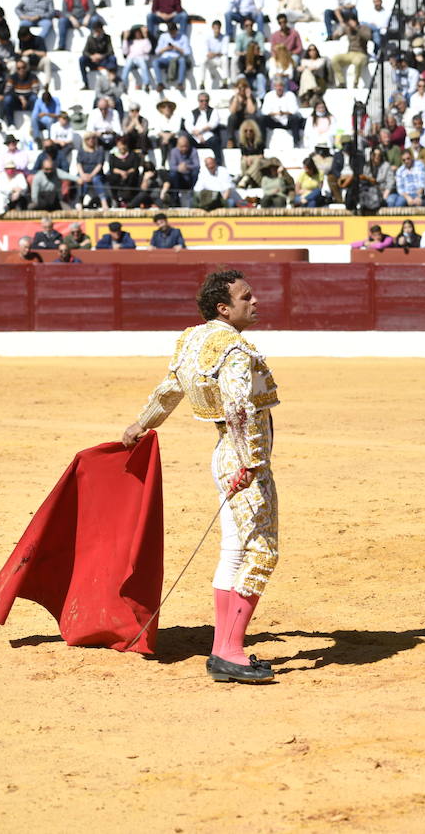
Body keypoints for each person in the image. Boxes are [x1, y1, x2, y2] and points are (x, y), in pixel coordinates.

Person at [121, 268, 281, 683]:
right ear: (223, 308)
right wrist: (250, 463)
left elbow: (170, 387)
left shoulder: (194, 339)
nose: (256, 301)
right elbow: (239, 409)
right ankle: (229, 651)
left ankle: (225, 648)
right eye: (246, 297)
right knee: (260, 552)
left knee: (235, 550)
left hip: (222, 455)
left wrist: (142, 424)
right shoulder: (234, 350)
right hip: (242, 459)